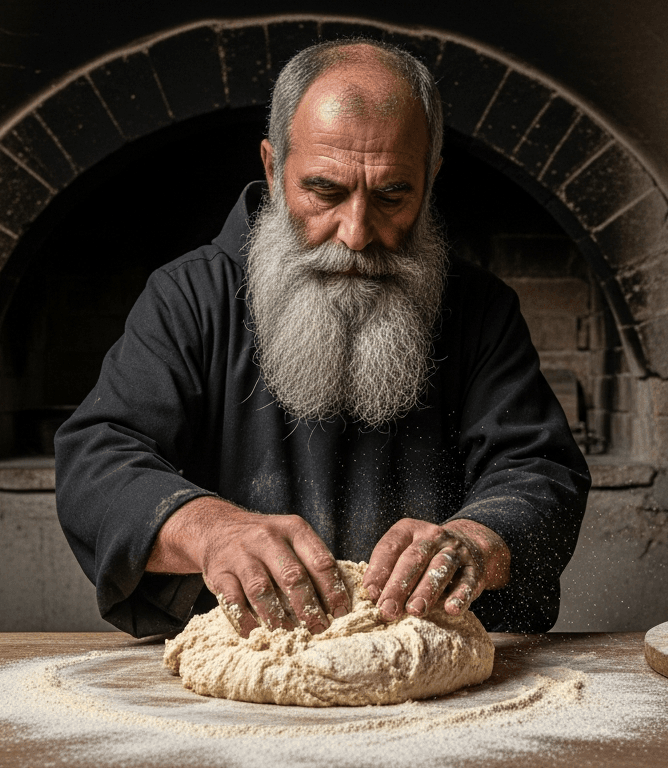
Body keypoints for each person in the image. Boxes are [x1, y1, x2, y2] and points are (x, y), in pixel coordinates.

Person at [55, 38, 589, 639]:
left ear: (430, 177)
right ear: (272, 166)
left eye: (393, 194)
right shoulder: (188, 297)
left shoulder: (480, 309)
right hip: (241, 658)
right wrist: (207, 529)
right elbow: (96, 458)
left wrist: (474, 541)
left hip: (431, 658)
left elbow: (539, 470)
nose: (357, 233)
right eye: (325, 192)